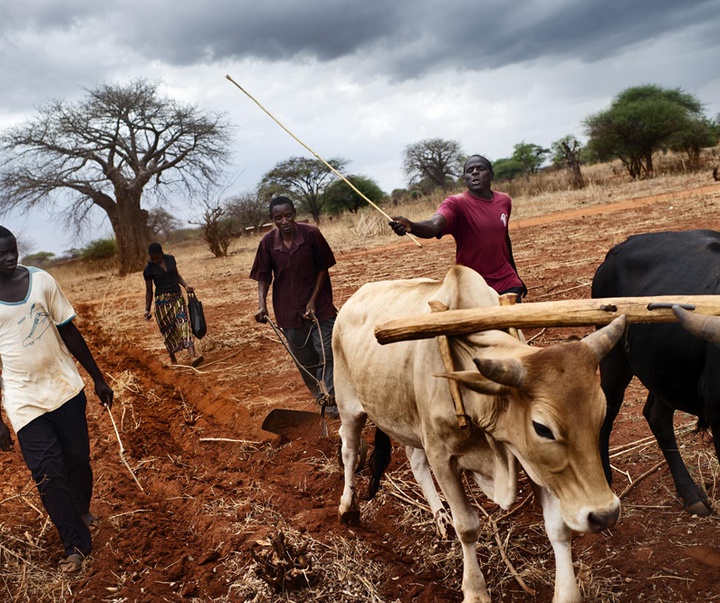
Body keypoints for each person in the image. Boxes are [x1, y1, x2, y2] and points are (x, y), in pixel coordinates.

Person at [0, 226, 114, 573]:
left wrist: (97, 377)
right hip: (24, 400)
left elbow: (68, 330)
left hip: (64, 387)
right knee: (47, 473)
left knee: (78, 459)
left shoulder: (42, 280)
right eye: (0, 254)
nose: (9, 258)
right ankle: (75, 544)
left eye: (12, 250)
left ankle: (81, 509)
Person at [390, 154, 527, 300]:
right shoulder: (456, 204)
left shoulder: (504, 201)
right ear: (465, 178)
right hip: (473, 286)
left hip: (507, 282)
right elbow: (434, 225)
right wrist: (412, 226)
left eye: (480, 168)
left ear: (491, 175)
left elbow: (504, 239)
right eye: (470, 170)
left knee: (512, 321)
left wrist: (516, 276)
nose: (475, 172)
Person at [250, 196, 338, 417]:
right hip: (287, 310)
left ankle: (335, 400)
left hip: (320, 308)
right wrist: (261, 305)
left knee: (327, 353)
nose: (284, 221)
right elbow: (263, 276)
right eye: (278, 218)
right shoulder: (267, 243)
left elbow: (322, 268)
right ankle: (320, 397)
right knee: (304, 359)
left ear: (294, 214)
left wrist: (312, 301)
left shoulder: (311, 234)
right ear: (272, 220)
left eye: (288, 215)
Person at [143, 243, 203, 367]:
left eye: (156, 257)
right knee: (168, 330)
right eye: (152, 257)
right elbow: (149, 291)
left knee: (184, 324)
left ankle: (193, 356)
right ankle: (172, 357)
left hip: (177, 297)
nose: (154, 260)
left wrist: (186, 286)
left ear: (161, 253)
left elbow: (176, 275)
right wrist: (147, 309)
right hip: (162, 303)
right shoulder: (148, 270)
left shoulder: (170, 259)